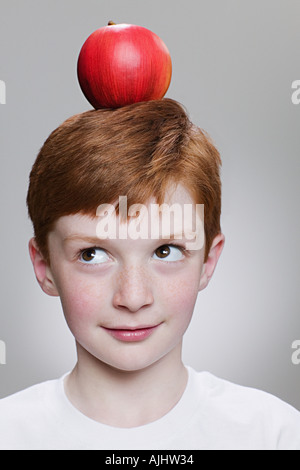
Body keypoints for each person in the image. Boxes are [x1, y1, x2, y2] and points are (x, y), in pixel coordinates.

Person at [0, 99, 299, 450]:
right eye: (92, 254)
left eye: (165, 251)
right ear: (45, 266)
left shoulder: (274, 435)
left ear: (208, 261)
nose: (133, 297)